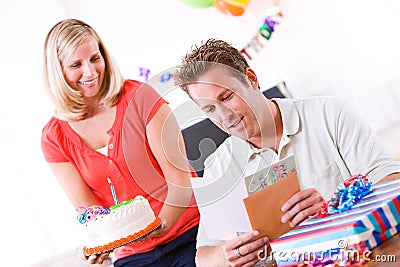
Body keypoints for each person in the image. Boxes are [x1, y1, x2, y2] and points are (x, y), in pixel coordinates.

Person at [174, 38, 400, 267]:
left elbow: (392, 183)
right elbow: (204, 260)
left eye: (226, 97)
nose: (224, 116)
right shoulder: (218, 167)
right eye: (210, 109)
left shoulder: (329, 113)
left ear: (251, 79)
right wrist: (227, 254)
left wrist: (335, 209)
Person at [41, 19, 199, 266]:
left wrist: (160, 225)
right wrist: (98, 244)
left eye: (95, 58)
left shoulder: (140, 98)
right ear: (58, 71)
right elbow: (91, 212)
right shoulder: (54, 138)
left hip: (190, 232)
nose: (91, 72)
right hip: (133, 255)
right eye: (76, 65)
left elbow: (180, 179)